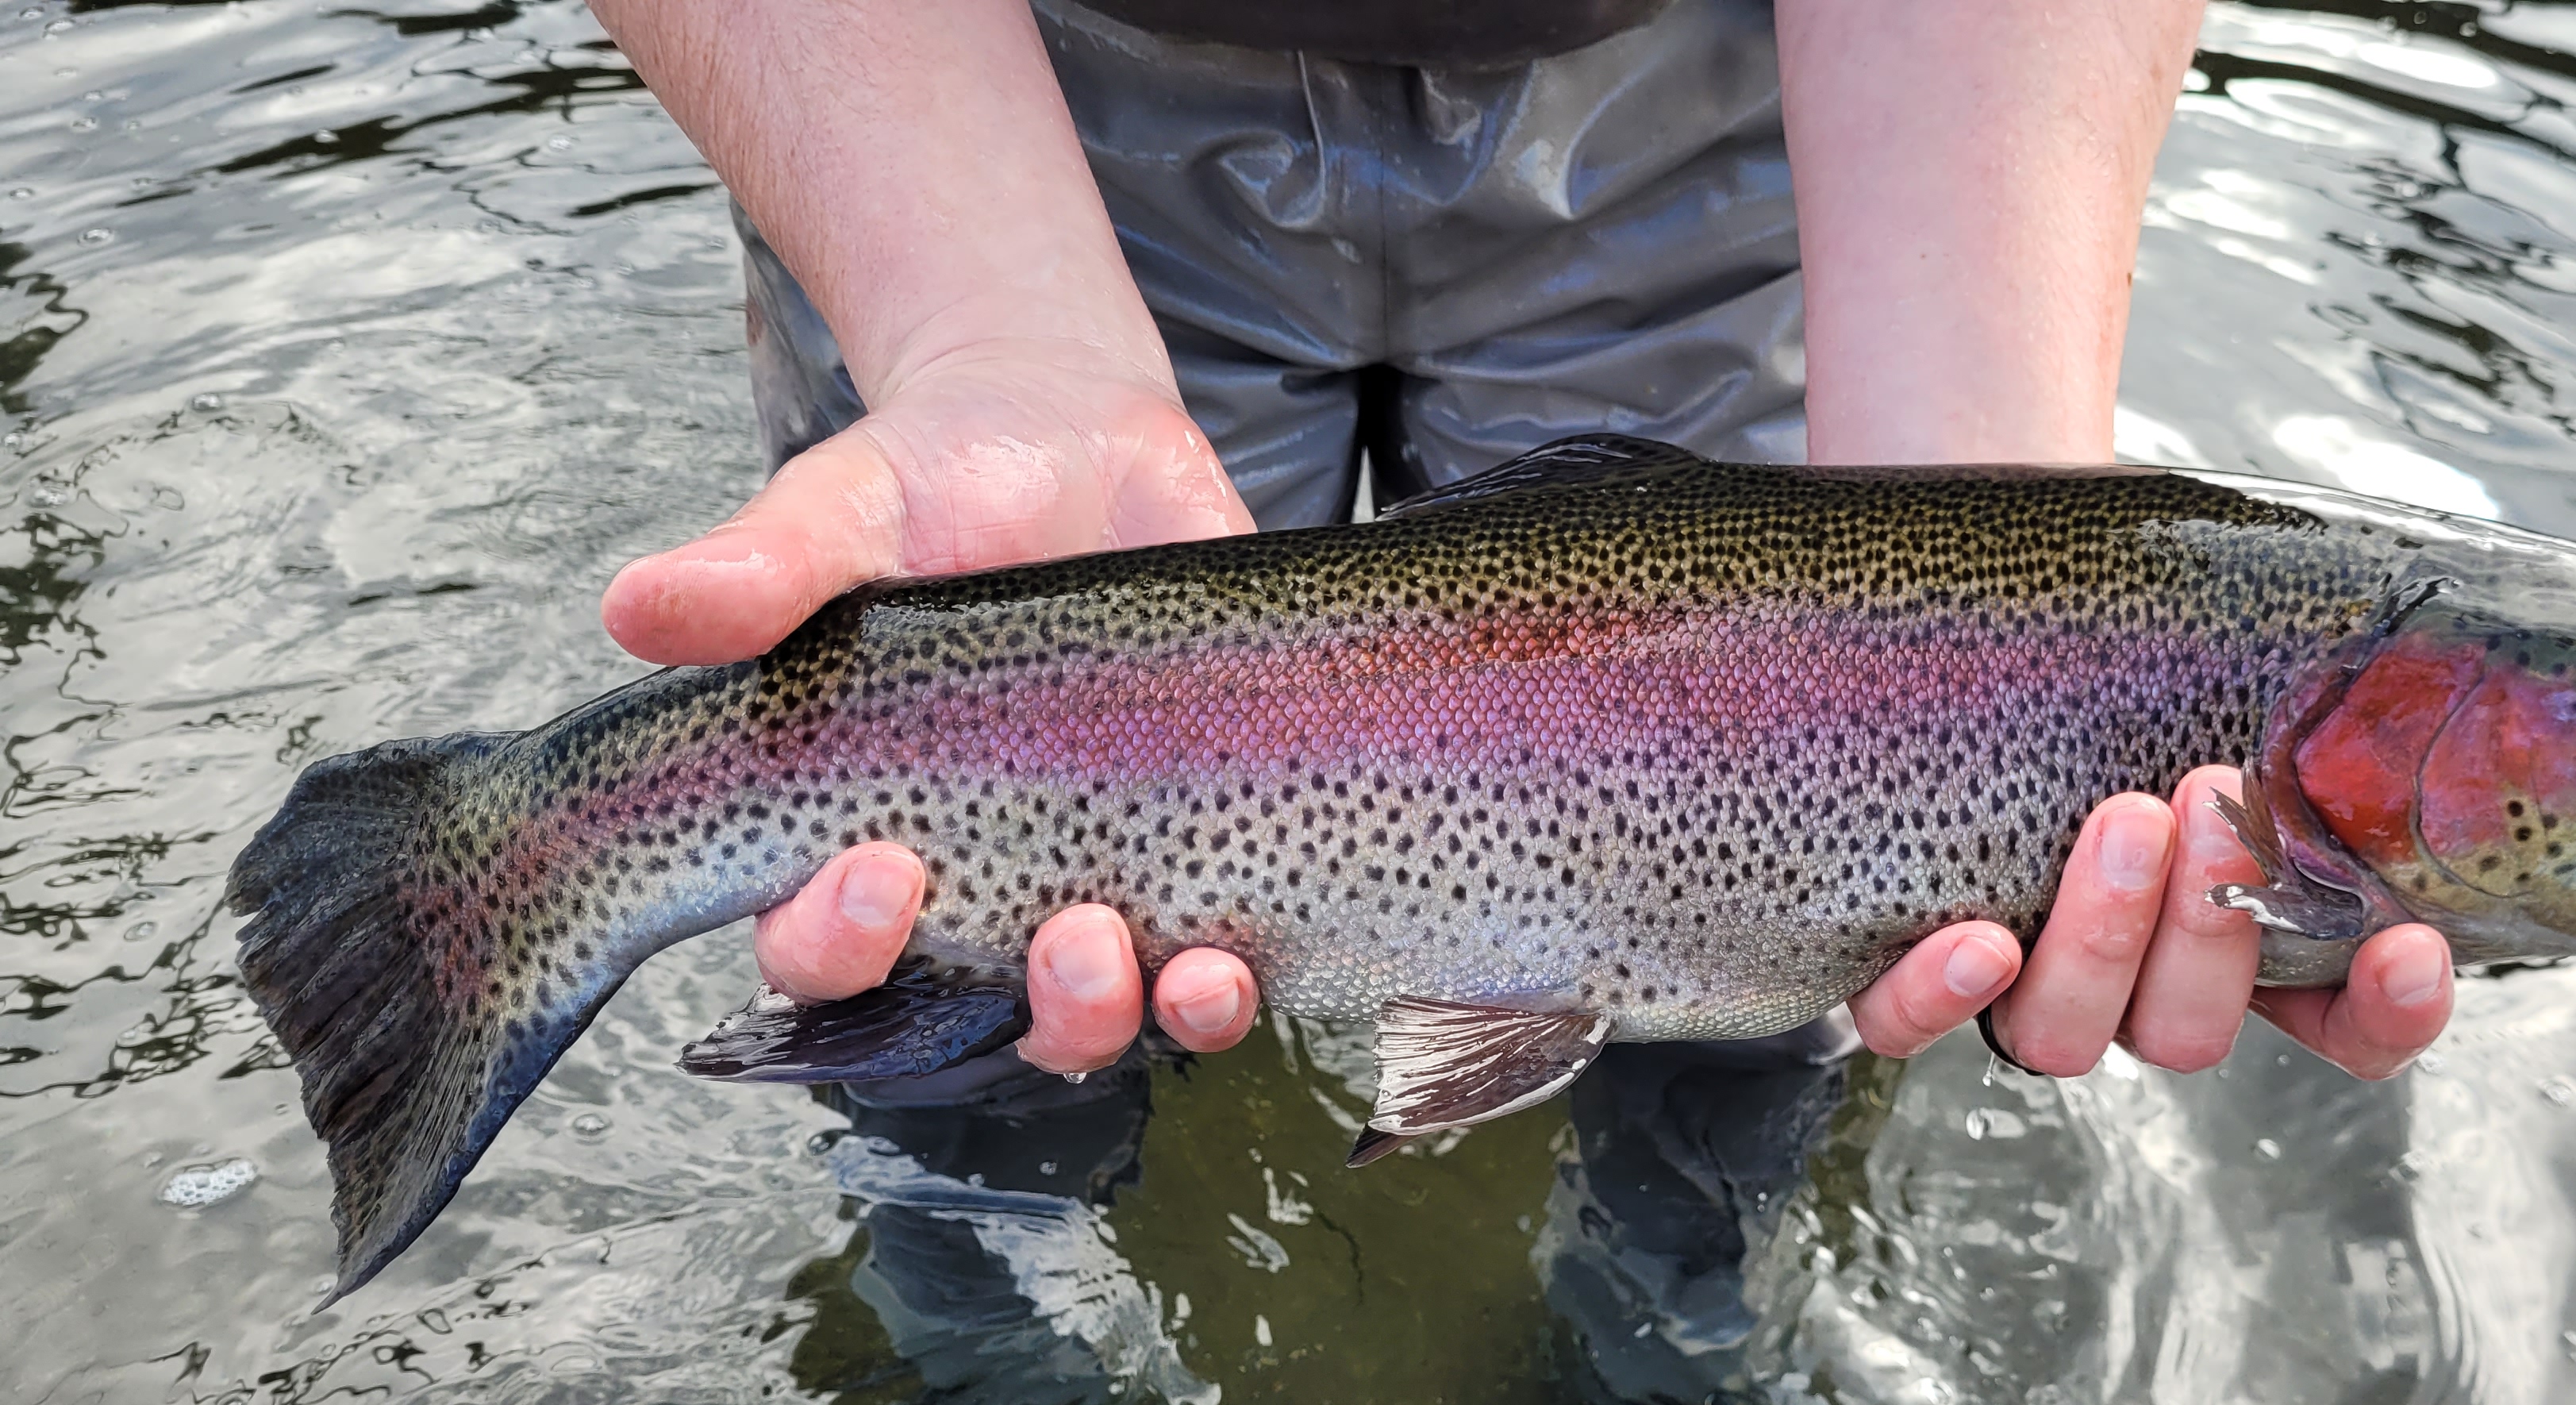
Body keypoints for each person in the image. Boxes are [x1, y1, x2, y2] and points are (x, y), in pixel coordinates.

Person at [582, 0, 2454, 1103]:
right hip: (958, 77)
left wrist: (1986, 482)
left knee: (1797, 958)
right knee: (971, 1005)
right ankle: (983, 1372)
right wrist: (986, 334)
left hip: (1815, 70)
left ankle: (1666, 1339)